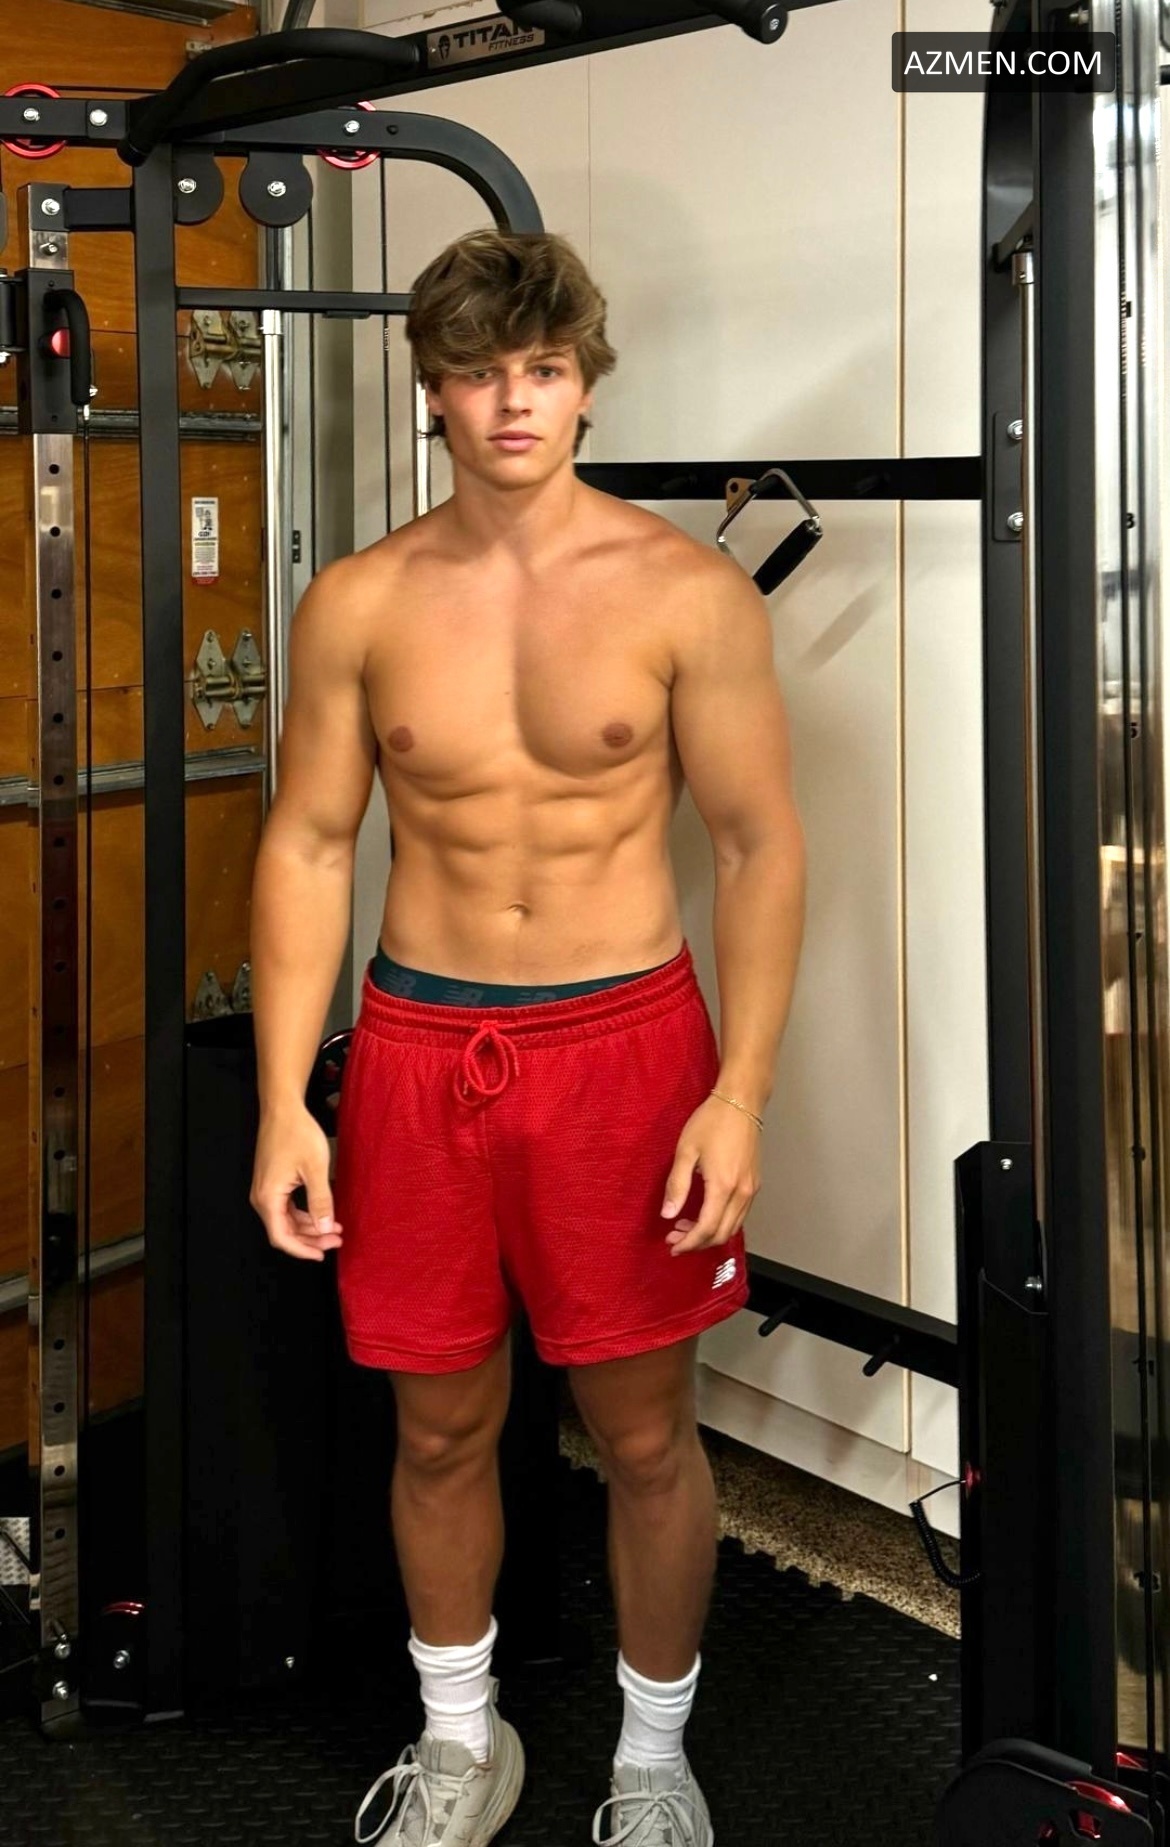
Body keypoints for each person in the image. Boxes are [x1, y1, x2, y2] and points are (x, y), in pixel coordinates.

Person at [249, 228, 806, 1847]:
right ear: (432, 391)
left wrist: (738, 1094)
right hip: (418, 1050)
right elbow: (308, 846)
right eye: (479, 372)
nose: (512, 402)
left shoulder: (683, 592)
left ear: (583, 387)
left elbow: (758, 846)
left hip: (622, 1048)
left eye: (542, 370)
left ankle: (651, 1761)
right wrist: (286, 1102)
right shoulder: (358, 601)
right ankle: (458, 1742)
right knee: (437, 1427)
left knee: (640, 1433)